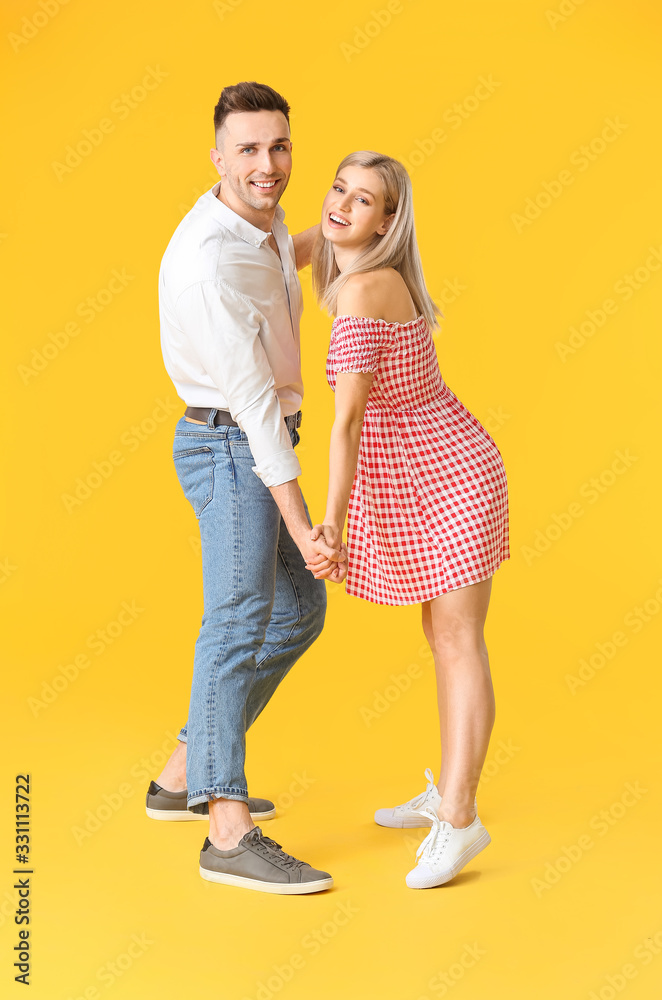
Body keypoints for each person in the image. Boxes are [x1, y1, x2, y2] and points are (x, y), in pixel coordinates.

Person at [148, 81, 345, 895]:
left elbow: (277, 261)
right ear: (217, 158)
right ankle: (225, 830)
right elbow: (260, 413)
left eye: (280, 147)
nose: (269, 165)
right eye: (250, 150)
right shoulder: (208, 265)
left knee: (298, 612)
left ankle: (183, 775)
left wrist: (343, 233)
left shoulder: (254, 223)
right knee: (234, 625)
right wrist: (303, 529)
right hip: (234, 446)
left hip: (252, 442)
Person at [307, 151, 510, 888]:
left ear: (388, 220)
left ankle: (460, 817)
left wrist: (331, 527)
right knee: (442, 633)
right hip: (426, 475)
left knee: (458, 639)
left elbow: (349, 420)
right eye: (337, 189)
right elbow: (290, 242)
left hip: (451, 476)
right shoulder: (354, 262)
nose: (340, 206)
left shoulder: (365, 288)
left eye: (363, 200)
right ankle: (449, 787)